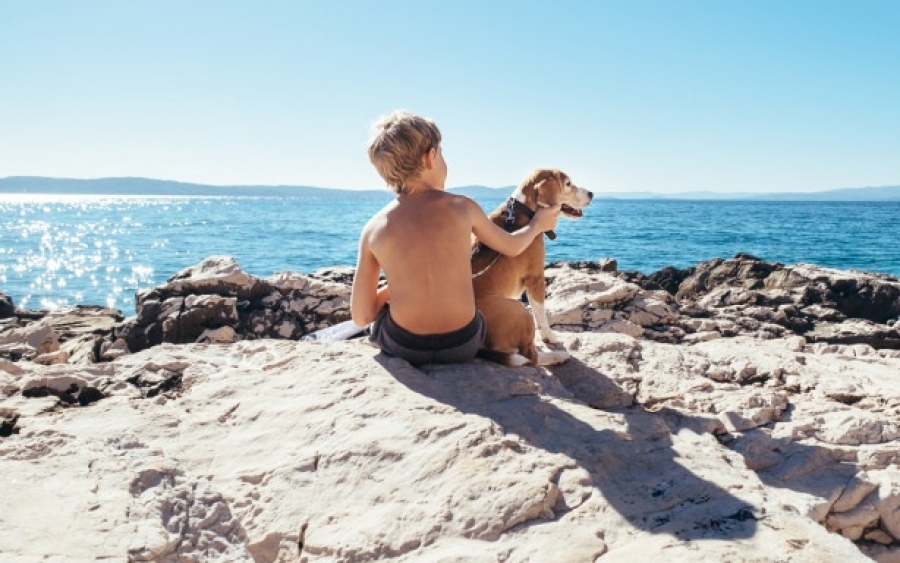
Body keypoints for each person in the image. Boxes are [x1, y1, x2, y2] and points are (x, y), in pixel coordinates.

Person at [350, 110, 560, 365]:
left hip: (405, 346)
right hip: (463, 342)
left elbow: (361, 316)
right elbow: (513, 247)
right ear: (430, 157)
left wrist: (395, 287)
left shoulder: (374, 228)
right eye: (442, 154)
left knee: (380, 319)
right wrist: (537, 224)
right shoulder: (463, 207)